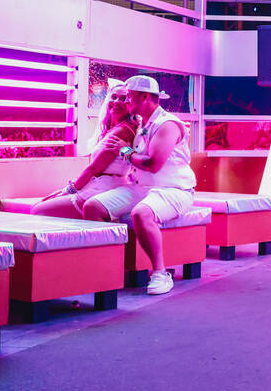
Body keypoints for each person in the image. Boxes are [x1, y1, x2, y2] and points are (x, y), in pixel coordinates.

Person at [83, 75, 196, 295]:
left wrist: (124, 151)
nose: (126, 102)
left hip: (174, 190)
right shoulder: (142, 122)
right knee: (92, 207)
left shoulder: (168, 125)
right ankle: (107, 269)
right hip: (143, 188)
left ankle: (160, 274)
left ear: (144, 97)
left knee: (141, 214)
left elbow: (153, 164)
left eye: (130, 97)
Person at [33, 81, 138, 218]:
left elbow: (94, 169)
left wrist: (68, 190)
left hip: (103, 188)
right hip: (105, 184)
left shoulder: (122, 131)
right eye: (113, 97)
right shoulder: (118, 128)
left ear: (131, 104)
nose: (116, 102)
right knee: (39, 206)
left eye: (123, 99)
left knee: (38, 210)